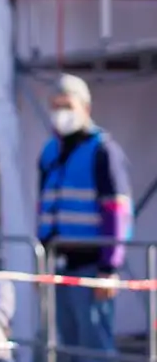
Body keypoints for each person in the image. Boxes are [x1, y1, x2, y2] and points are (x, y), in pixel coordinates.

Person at [37, 73, 133, 361]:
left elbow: (117, 211)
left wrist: (110, 268)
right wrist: (40, 259)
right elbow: (42, 208)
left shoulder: (103, 150)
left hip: (91, 268)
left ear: (85, 108)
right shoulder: (49, 152)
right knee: (64, 346)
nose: (60, 113)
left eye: (66, 105)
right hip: (57, 265)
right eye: (55, 105)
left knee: (95, 347)